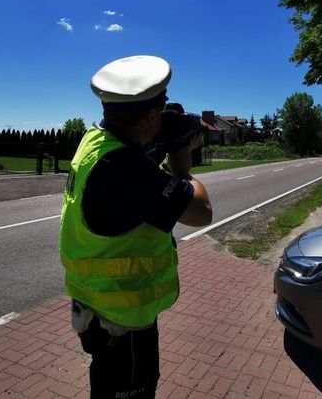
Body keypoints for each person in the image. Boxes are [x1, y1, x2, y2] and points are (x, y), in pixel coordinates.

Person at [59, 55, 212, 398]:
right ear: (152, 115)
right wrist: (181, 164)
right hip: (124, 323)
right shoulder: (124, 168)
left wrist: (154, 148)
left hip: (97, 309)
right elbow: (201, 212)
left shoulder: (96, 142)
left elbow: (131, 168)